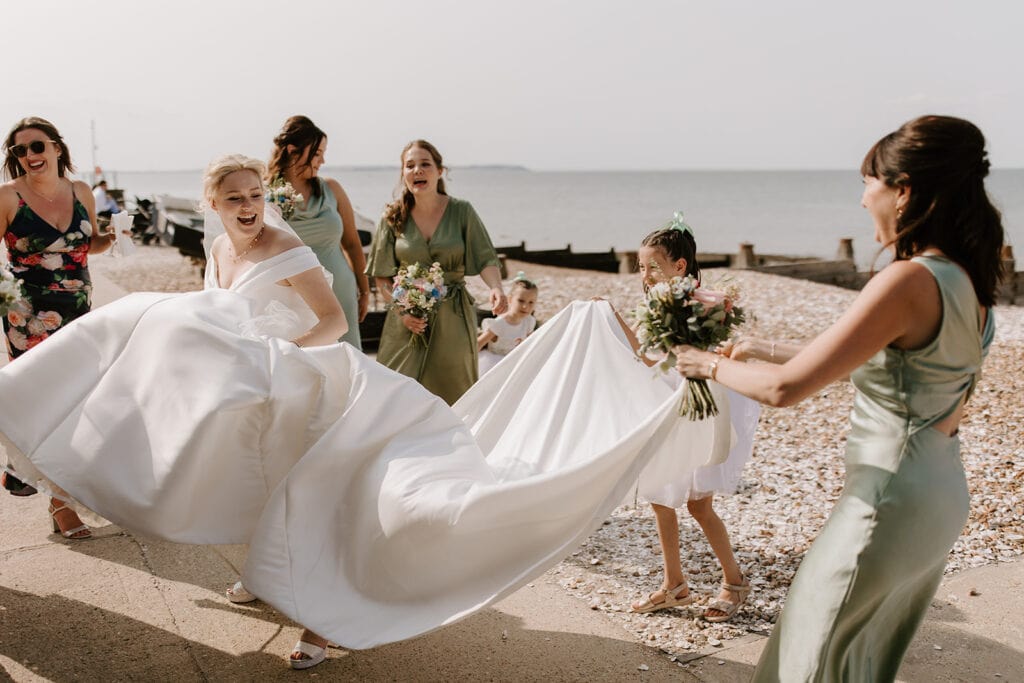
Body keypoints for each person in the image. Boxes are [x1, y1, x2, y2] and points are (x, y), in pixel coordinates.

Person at [673, 115, 1003, 681]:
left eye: (867, 183)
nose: (861, 200)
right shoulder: (969, 282)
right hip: (939, 491)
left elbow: (785, 390)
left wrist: (705, 363)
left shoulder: (906, 279)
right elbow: (887, 364)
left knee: (813, 653)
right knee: (859, 660)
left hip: (887, 496)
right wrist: (758, 345)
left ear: (902, 191)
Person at [605, 222, 759, 622]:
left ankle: (734, 581)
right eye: (640, 268)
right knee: (660, 498)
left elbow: (710, 352)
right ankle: (674, 584)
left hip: (698, 408)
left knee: (698, 504)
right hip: (666, 408)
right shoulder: (654, 306)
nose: (645, 275)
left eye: (652, 267)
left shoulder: (701, 305)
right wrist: (611, 317)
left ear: (679, 265)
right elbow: (646, 355)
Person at [0, 116, 118, 536]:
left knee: (79, 404)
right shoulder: (8, 198)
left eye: (37, 147)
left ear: (56, 148)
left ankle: (50, 487)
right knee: (44, 407)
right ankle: (58, 504)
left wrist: (115, 236)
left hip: (79, 312)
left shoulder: (81, 190)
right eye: (19, 150)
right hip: (28, 318)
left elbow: (90, 246)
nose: (29, 156)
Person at [367, 140, 508, 404]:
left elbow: (485, 258)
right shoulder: (393, 217)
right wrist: (403, 312)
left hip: (452, 318)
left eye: (425, 164)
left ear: (439, 171)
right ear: (403, 174)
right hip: (406, 322)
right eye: (410, 166)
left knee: (455, 392)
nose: (417, 170)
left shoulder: (462, 211)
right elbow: (382, 277)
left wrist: (496, 288)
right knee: (395, 392)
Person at [267, 115, 368, 349]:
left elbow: (352, 244)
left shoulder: (331, 189)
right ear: (293, 151)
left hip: (341, 290)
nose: (322, 160)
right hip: (295, 295)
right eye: (318, 153)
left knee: (348, 361)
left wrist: (363, 291)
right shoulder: (264, 194)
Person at [477, 272, 538, 375]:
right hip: (495, 366)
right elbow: (477, 345)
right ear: (510, 299)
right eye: (521, 301)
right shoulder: (499, 324)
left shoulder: (529, 321)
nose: (525, 306)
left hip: (516, 364)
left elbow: (530, 343)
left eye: (531, 302)